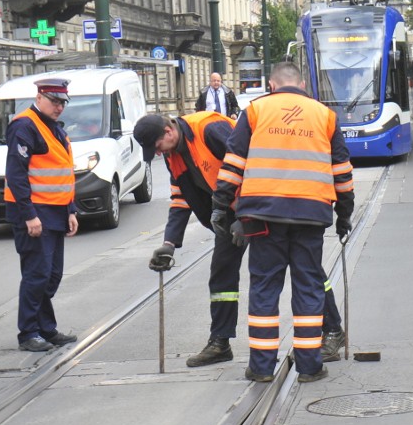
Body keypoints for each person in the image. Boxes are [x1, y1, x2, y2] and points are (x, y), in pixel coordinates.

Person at [134, 112, 348, 367]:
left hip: (262, 206)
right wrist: (169, 244)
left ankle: (333, 330)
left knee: (303, 265)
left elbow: (250, 166)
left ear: (168, 132)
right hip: (227, 215)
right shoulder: (174, 155)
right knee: (222, 273)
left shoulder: (209, 129)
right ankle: (220, 342)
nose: (159, 153)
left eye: (157, 147)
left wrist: (246, 216)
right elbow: (181, 198)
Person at [212, 62, 354, 383]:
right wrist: (344, 215)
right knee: (308, 286)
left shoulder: (256, 111)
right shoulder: (324, 115)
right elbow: (342, 173)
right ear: (302, 85)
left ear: (272, 86)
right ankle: (310, 366)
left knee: (264, 287)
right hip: (311, 215)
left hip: (263, 216)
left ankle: (261, 368)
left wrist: (221, 206)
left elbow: (233, 162)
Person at [5, 78, 79, 352]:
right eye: (54, 101)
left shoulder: (53, 127)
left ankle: (46, 328)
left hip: (56, 210)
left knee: (52, 275)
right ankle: (28, 332)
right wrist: (29, 215)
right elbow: (16, 174)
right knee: (38, 274)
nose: (59, 107)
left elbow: (63, 171)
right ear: (39, 97)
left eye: (62, 102)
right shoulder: (24, 125)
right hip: (34, 212)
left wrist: (70, 209)